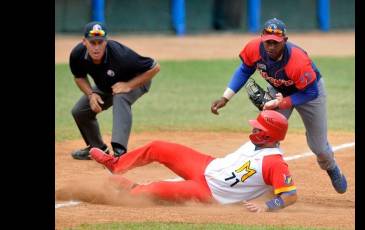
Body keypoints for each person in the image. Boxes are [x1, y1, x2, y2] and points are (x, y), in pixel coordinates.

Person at [210, 18, 347, 194]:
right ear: (262, 38)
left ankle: (331, 167)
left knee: (319, 147)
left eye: (275, 43)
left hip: (309, 93)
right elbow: (245, 70)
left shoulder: (297, 61)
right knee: (265, 134)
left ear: (285, 41)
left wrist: (283, 102)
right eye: (267, 42)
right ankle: (262, 181)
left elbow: (311, 92)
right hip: (278, 90)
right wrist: (225, 97)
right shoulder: (254, 48)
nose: (271, 46)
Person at [90, 110, 297, 212]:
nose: (253, 130)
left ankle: (131, 189)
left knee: (151, 191)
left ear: (270, 136)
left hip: (208, 192)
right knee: (158, 147)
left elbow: (290, 196)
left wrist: (267, 206)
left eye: (258, 129)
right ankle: (115, 165)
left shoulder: (275, 163)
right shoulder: (260, 143)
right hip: (206, 164)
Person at [69, 21, 160, 160]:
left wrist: (129, 85)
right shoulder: (77, 55)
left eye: (100, 42)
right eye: (92, 42)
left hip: (137, 81)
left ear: (106, 42)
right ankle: (97, 149)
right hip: (105, 85)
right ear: (84, 42)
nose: (96, 47)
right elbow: (79, 77)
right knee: (79, 111)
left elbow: (154, 67)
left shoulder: (121, 55)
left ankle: (120, 153)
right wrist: (91, 94)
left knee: (120, 96)